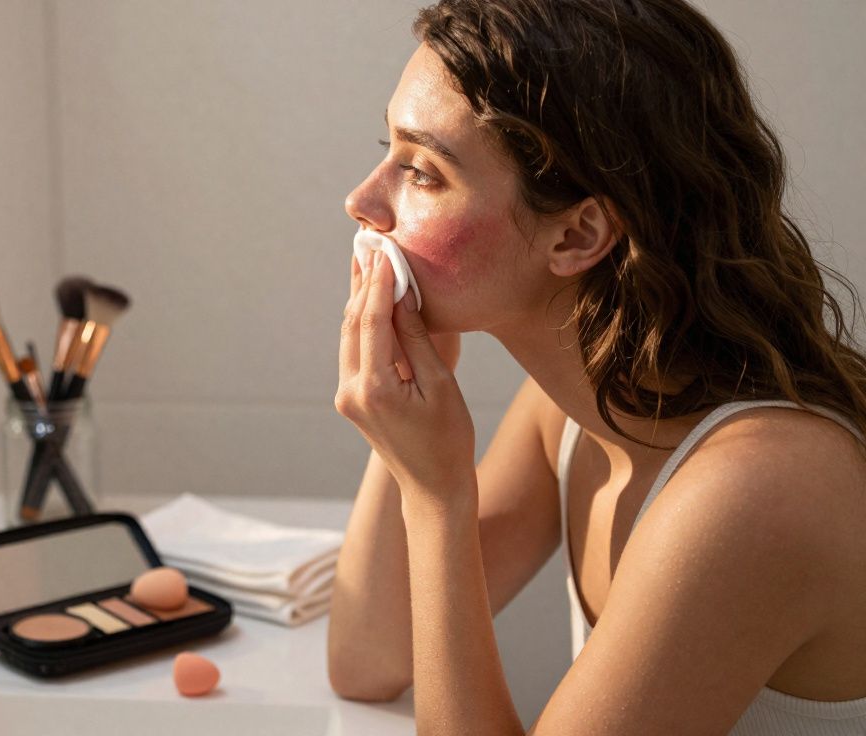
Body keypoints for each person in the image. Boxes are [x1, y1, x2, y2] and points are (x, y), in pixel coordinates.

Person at [328, 1, 866, 733]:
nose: (361, 201)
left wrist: (438, 494)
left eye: (421, 173)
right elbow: (369, 659)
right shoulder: (574, 411)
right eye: (385, 150)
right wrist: (400, 431)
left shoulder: (757, 488)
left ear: (579, 233)